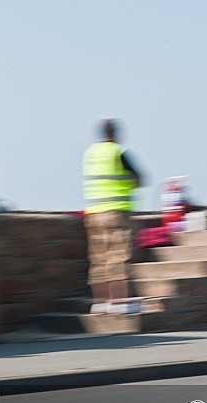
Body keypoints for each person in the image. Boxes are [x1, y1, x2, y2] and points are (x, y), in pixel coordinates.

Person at [82, 119, 145, 314]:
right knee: (118, 257)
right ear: (115, 133)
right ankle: (119, 303)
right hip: (116, 211)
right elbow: (139, 179)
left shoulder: (89, 154)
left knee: (98, 259)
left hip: (93, 213)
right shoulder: (118, 152)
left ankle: (99, 303)